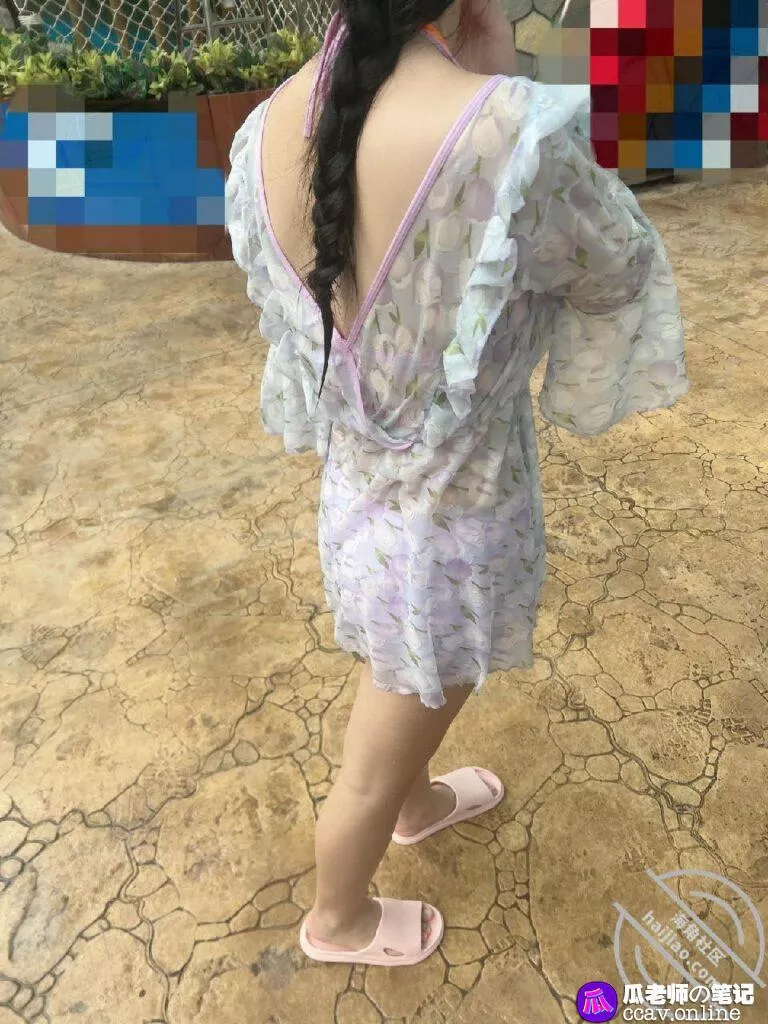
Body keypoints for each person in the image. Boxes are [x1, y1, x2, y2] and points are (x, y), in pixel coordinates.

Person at [225, 0, 688, 968]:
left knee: (406, 695)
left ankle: (420, 800)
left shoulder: (269, 122)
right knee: (372, 757)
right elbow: (617, 266)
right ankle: (338, 917)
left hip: (358, 509)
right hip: (457, 530)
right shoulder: (510, 133)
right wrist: (496, 83)